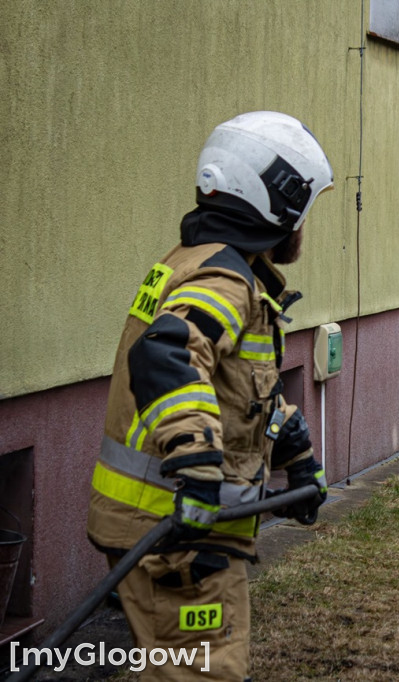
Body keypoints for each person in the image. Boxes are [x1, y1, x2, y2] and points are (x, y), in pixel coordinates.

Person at [86, 111, 334, 681]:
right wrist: (198, 470)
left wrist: (293, 450)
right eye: (303, 211)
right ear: (274, 205)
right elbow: (167, 357)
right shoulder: (225, 281)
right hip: (177, 536)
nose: (303, 229)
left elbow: (235, 387)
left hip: (157, 524)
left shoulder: (196, 261)